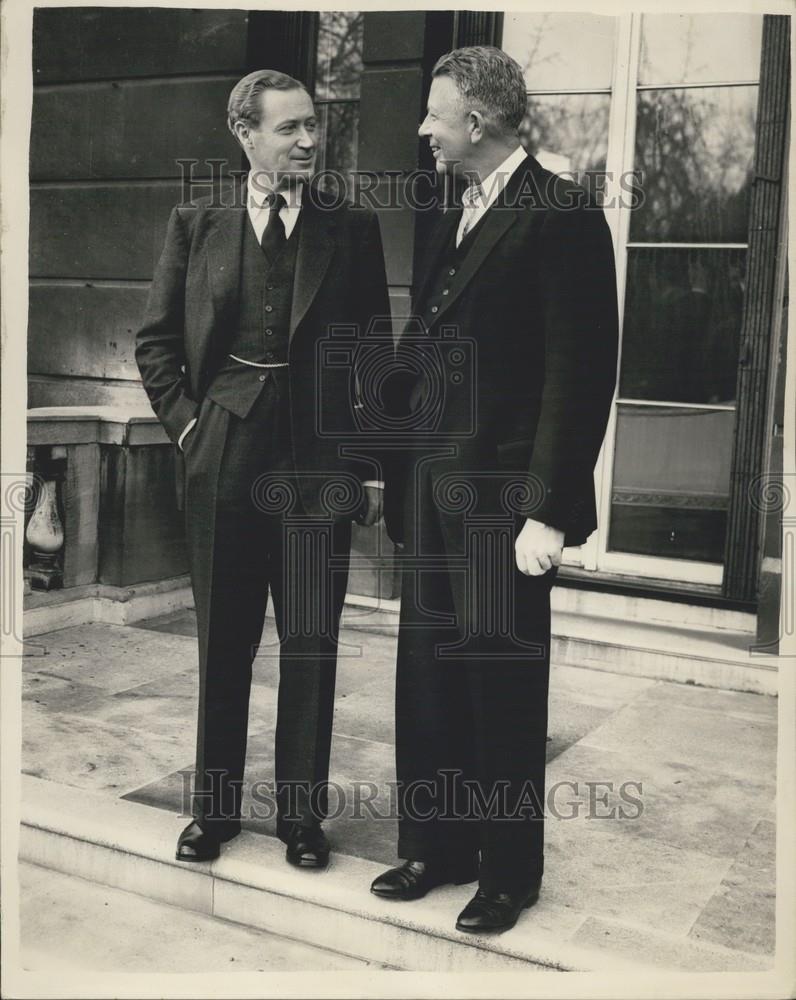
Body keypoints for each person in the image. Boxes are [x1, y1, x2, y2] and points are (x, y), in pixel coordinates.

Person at [372, 47, 618, 932]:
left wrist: (549, 510)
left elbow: (579, 374)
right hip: (433, 491)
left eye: (435, 115)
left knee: (502, 688)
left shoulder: (561, 213)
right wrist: (390, 466)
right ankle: (436, 849)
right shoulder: (451, 210)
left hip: (506, 506)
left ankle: (508, 875)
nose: (424, 130)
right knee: (429, 678)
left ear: (476, 122)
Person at [136, 69, 389, 869]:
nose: (309, 141)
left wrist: (370, 469)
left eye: (314, 126)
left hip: (318, 461)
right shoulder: (197, 221)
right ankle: (214, 812)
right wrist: (188, 432)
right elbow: (156, 341)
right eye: (290, 129)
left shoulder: (350, 227)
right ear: (245, 134)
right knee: (225, 639)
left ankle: (301, 821)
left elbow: (372, 357)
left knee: (311, 640)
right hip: (225, 451)